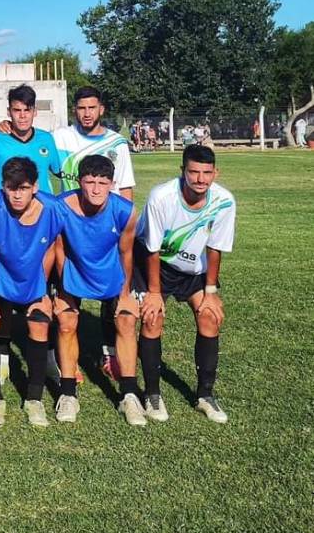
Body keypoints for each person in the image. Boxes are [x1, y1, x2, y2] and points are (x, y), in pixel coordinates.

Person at [132, 145, 236, 423]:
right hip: (155, 265)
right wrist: (154, 293)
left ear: (216, 173)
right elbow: (152, 249)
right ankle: (152, 395)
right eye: (193, 172)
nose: (200, 179)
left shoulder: (225, 200)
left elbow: (216, 247)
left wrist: (211, 292)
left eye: (206, 173)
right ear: (183, 172)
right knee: (152, 319)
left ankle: (205, 395)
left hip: (193, 271)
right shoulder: (161, 197)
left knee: (209, 317)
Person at [53, 155, 144, 426]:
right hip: (73, 270)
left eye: (102, 183)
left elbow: (126, 252)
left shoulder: (125, 211)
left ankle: (129, 395)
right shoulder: (61, 207)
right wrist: (63, 291)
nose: (95, 189)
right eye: (89, 182)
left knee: (126, 321)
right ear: (79, 181)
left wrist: (126, 294)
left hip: (111, 273)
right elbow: (58, 248)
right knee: (67, 322)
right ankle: (68, 393)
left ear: (112, 184)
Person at [53, 87, 135, 381]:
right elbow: (31, 144)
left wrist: (116, 223)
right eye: (81, 108)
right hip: (71, 229)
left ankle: (109, 353)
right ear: (74, 110)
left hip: (104, 227)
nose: (86, 113)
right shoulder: (61, 138)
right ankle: (65, 362)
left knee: (111, 298)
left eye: (92, 108)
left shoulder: (117, 143)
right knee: (66, 304)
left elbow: (125, 190)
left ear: (101, 108)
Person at [0, 158, 64, 427]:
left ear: (35, 187)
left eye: (23, 188)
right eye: (11, 188)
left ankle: (34, 399)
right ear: (3, 186)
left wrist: (44, 289)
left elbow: (52, 249)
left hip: (32, 280)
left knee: (39, 326)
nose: (16, 194)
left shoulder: (52, 208)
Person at [0, 84, 62, 387]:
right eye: (16, 110)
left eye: (27, 110)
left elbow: (59, 171)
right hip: (5, 227)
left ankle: (50, 358)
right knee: (1, 294)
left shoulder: (47, 140)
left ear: (35, 111)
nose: (21, 116)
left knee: (45, 293)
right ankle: (2, 359)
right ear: (9, 112)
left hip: (40, 229)